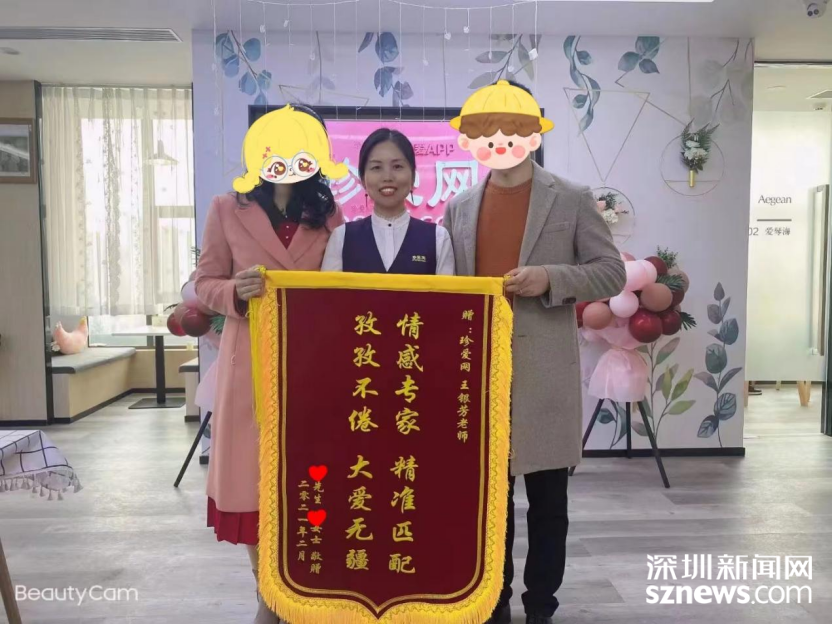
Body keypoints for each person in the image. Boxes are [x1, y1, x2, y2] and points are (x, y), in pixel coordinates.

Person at [444, 80, 626, 624]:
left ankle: (541, 604)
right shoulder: (459, 206)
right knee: (488, 503)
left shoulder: (570, 197)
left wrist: (551, 277)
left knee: (549, 503)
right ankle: (492, 600)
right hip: (480, 375)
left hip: (545, 375)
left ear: (532, 132)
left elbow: (611, 273)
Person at [195, 105, 345, 624]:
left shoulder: (327, 214)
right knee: (253, 485)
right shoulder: (226, 208)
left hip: (313, 361)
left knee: (308, 481)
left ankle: (302, 592)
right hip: (250, 364)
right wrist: (234, 291)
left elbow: (343, 284)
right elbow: (205, 282)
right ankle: (269, 597)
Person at [322, 128, 454, 275]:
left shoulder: (438, 238)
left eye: (397, 166)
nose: (387, 177)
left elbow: (447, 291)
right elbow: (329, 290)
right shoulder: (341, 238)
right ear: (363, 178)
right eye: (376, 167)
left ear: (413, 176)